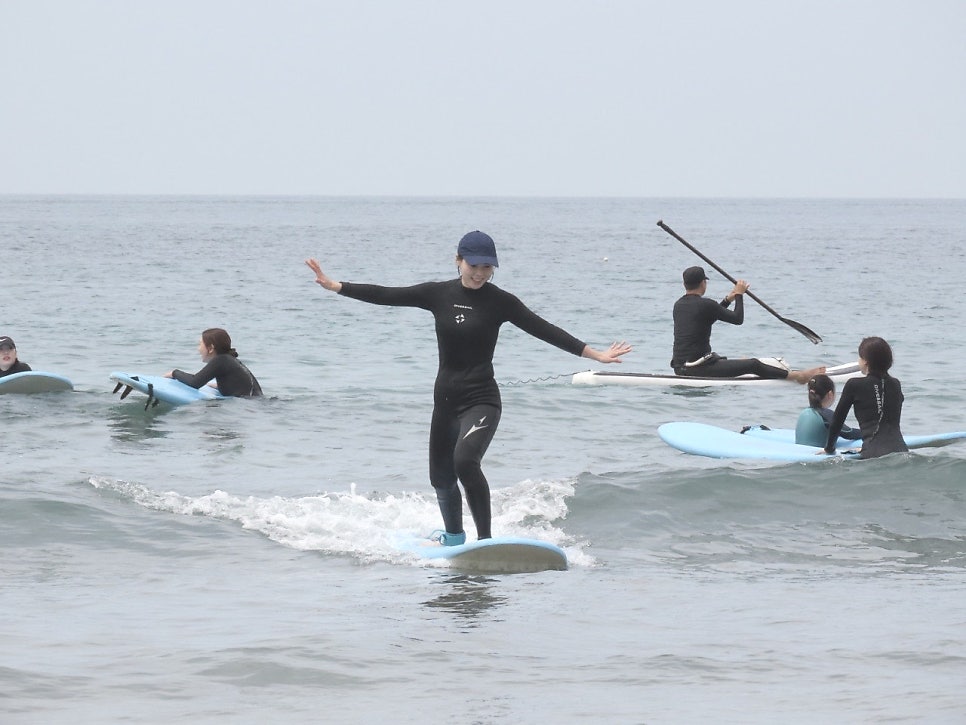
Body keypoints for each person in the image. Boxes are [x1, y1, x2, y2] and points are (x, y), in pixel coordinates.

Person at [305, 230, 631, 545]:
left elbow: (544, 329)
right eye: (474, 266)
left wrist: (595, 354)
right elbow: (387, 295)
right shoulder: (437, 294)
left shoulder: (502, 302)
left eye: (487, 267)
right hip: (445, 402)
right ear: (458, 260)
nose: (480, 273)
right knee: (441, 478)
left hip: (482, 400)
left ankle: (486, 541)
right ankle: (454, 539)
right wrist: (336, 286)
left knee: (465, 462)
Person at [670, 265, 824, 383]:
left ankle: (741, 366)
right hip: (698, 369)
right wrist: (739, 295)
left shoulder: (679, 305)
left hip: (680, 368)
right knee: (753, 364)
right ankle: (797, 376)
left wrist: (728, 299)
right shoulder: (706, 305)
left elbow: (708, 317)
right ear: (703, 283)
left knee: (725, 361)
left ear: (685, 284)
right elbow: (738, 319)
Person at [824, 336, 908, 459]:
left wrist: (829, 449)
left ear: (865, 361)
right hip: (901, 451)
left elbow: (837, 422)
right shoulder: (896, 384)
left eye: (860, 357)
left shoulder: (854, 384)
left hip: (873, 455)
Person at [165, 328, 263, 397]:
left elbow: (194, 382)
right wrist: (222, 385)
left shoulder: (220, 360)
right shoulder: (230, 360)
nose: (198, 349)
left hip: (250, 407)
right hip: (257, 404)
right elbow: (251, 386)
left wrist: (174, 373)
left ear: (211, 348)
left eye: (200, 344)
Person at [795, 373, 861, 447]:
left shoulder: (804, 412)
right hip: (816, 456)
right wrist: (868, 432)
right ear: (830, 394)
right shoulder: (826, 414)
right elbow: (848, 433)